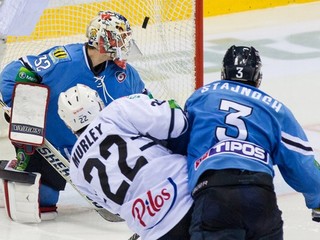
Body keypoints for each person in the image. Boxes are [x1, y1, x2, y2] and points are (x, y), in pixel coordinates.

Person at [0, 10, 150, 221]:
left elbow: (148, 105)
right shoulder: (64, 60)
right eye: (119, 37)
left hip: (94, 152)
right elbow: (12, 74)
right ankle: (14, 168)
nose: (125, 42)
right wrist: (15, 105)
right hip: (49, 147)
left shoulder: (126, 74)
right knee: (43, 204)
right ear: (102, 40)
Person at [184, 45, 320, 239]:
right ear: (257, 77)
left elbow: (178, 147)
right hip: (258, 194)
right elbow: (302, 163)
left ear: (224, 72)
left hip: (213, 193)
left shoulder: (199, 98)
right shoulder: (275, 109)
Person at [57, 84, 193, 240]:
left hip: (152, 230)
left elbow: (112, 210)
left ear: (68, 124)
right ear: (98, 102)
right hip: (187, 195)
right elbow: (178, 122)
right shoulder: (116, 111)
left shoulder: (75, 169)